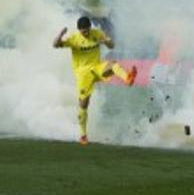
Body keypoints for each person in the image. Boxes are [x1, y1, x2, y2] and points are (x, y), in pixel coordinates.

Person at [54, 16, 137, 145]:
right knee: (84, 104)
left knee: (113, 64)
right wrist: (60, 34)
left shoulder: (96, 33)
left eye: (87, 30)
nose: (86, 33)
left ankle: (127, 78)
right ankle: (83, 135)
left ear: (90, 28)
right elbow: (55, 45)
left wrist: (107, 41)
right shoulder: (74, 39)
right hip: (83, 73)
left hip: (97, 67)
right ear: (79, 30)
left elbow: (111, 46)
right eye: (83, 31)